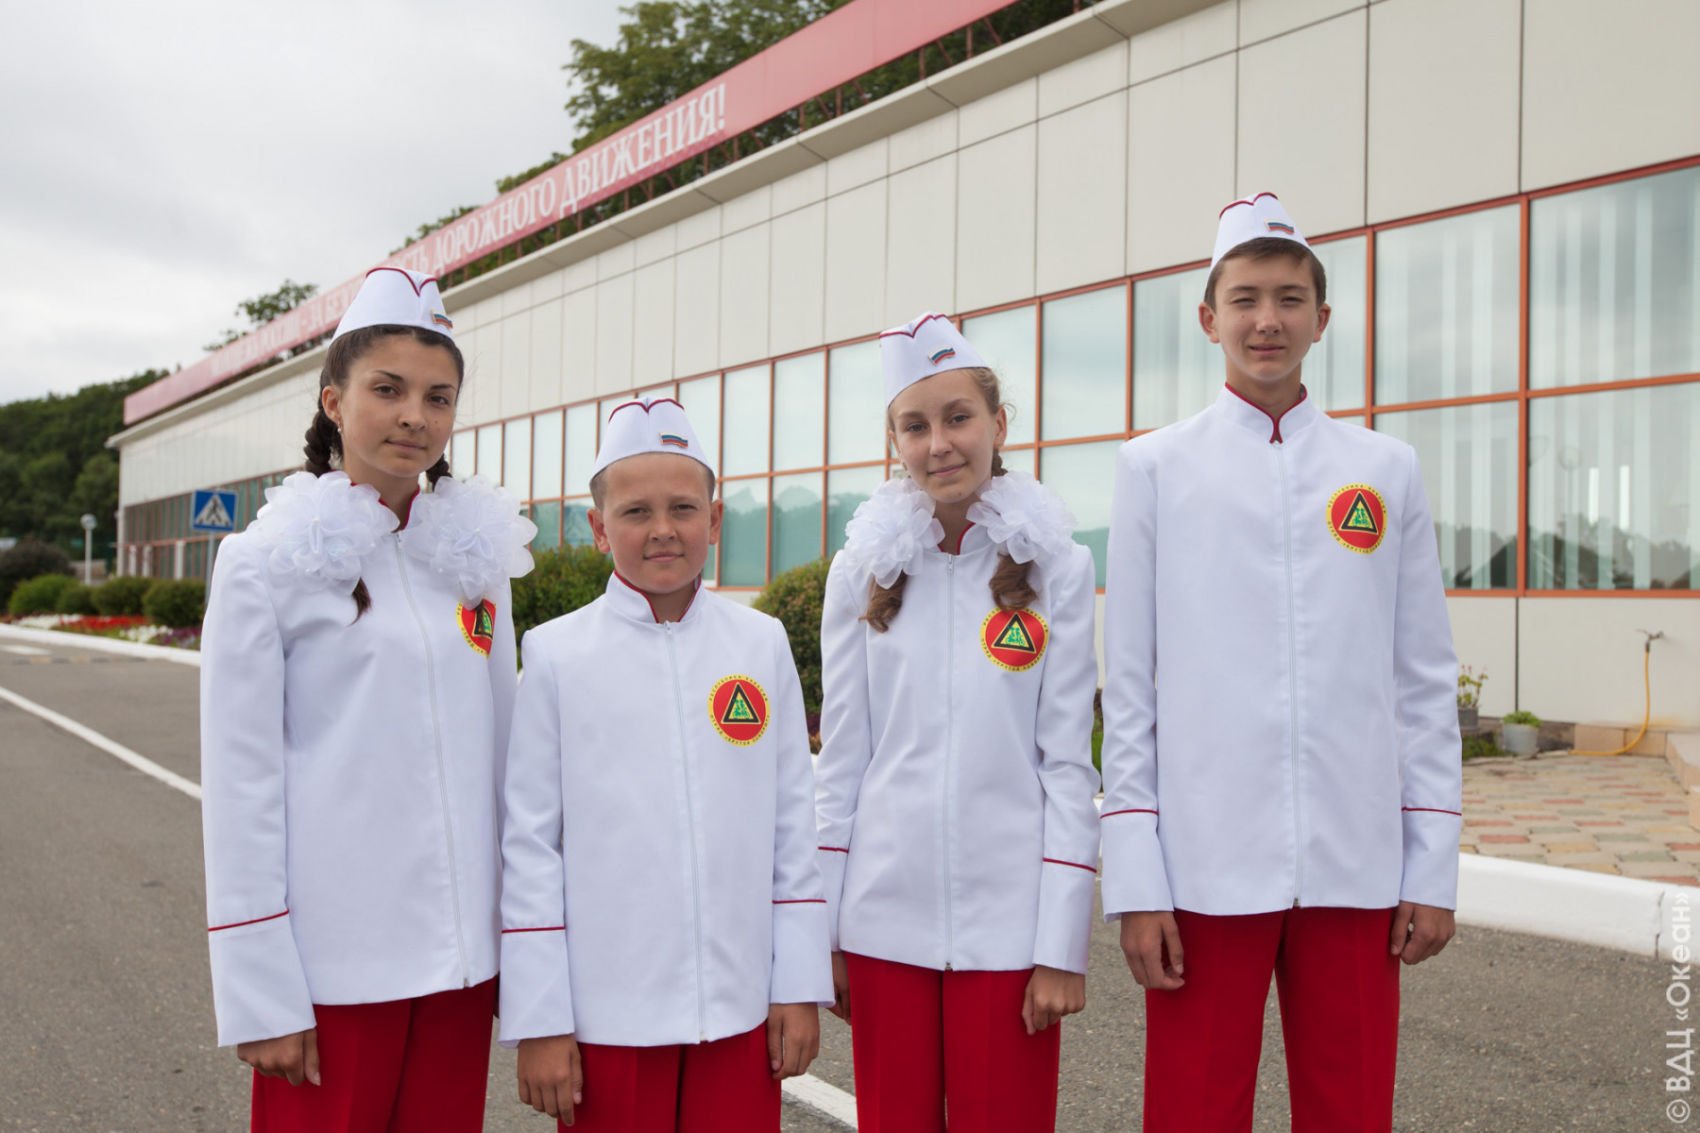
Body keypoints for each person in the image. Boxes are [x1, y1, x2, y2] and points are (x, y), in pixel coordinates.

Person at [1099, 193, 1462, 1133]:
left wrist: (1431, 865)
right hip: (1203, 863)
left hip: (1356, 857)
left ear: (1322, 318)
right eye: (1247, 298)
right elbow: (1129, 687)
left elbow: (1423, 678)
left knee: (1352, 1110)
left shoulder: (1384, 469)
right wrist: (1137, 877)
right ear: (1208, 316)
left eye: (1290, 299)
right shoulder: (1154, 468)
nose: (1268, 319)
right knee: (1192, 1109)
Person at [199, 266, 536, 1131]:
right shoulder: (264, 561)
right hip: (332, 968)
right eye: (387, 389)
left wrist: (525, 942)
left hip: (462, 963)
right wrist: (260, 987)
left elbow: (509, 764)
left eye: (438, 397)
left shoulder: (476, 561)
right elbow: (241, 786)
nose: (414, 415)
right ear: (334, 402)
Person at [498, 396, 831, 1132]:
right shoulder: (555, 654)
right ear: (598, 527)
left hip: (742, 1005)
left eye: (683, 508)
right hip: (606, 1015)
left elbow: (791, 826)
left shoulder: (760, 643)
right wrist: (541, 1017)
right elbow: (530, 845)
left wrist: (798, 984)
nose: (662, 529)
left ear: (714, 520)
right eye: (635, 512)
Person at [814, 312, 1101, 1132]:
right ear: (894, 442)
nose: (939, 443)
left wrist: (1059, 943)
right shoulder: (859, 570)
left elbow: (1068, 764)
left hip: (1010, 930)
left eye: (958, 417)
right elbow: (841, 762)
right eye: (916, 425)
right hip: (881, 924)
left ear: (998, 424)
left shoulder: (1060, 567)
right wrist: (824, 929)